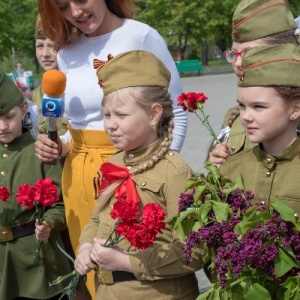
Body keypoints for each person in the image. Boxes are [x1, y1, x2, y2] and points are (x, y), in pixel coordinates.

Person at [35, 1, 187, 297]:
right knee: (91, 266)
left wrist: (156, 167)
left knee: (135, 270)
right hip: (79, 174)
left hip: (137, 171)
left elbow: (177, 111)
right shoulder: (65, 53)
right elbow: (77, 125)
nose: (75, 12)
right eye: (64, 7)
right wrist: (59, 145)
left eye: (81, 0)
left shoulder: (142, 36)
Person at [74, 50, 204, 300]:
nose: (110, 124)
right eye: (107, 115)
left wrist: (126, 262)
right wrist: (86, 245)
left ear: (154, 114)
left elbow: (194, 252)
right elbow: (97, 219)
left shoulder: (175, 171)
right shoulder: (114, 163)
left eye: (121, 115)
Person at [0, 73, 72, 299]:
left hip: (35, 261)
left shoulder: (41, 151)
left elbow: (60, 205)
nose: (2, 126)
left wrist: (49, 224)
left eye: (9, 116)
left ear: (23, 110)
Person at [208, 0, 300, 167]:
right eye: (233, 53)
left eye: (249, 52)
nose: (237, 62)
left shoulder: (292, 112)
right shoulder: (235, 117)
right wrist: (217, 165)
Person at [213, 43, 300, 213]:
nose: (245, 116)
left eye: (259, 106)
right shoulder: (231, 168)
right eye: (242, 106)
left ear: (295, 109)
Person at [31, 14, 68, 135]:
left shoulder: (78, 88)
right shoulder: (35, 95)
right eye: (40, 46)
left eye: (51, 45)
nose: (45, 53)